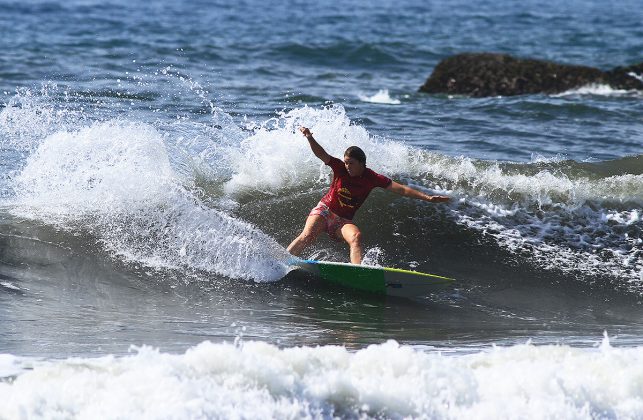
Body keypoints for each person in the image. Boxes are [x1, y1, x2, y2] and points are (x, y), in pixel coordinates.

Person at [287, 126, 450, 264]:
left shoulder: (372, 178)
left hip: (342, 221)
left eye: (351, 163)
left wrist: (427, 198)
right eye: (346, 162)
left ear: (361, 163)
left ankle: (358, 273)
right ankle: (283, 262)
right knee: (308, 236)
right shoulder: (340, 168)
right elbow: (321, 154)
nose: (347, 166)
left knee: (356, 237)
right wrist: (309, 137)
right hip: (325, 210)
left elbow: (401, 189)